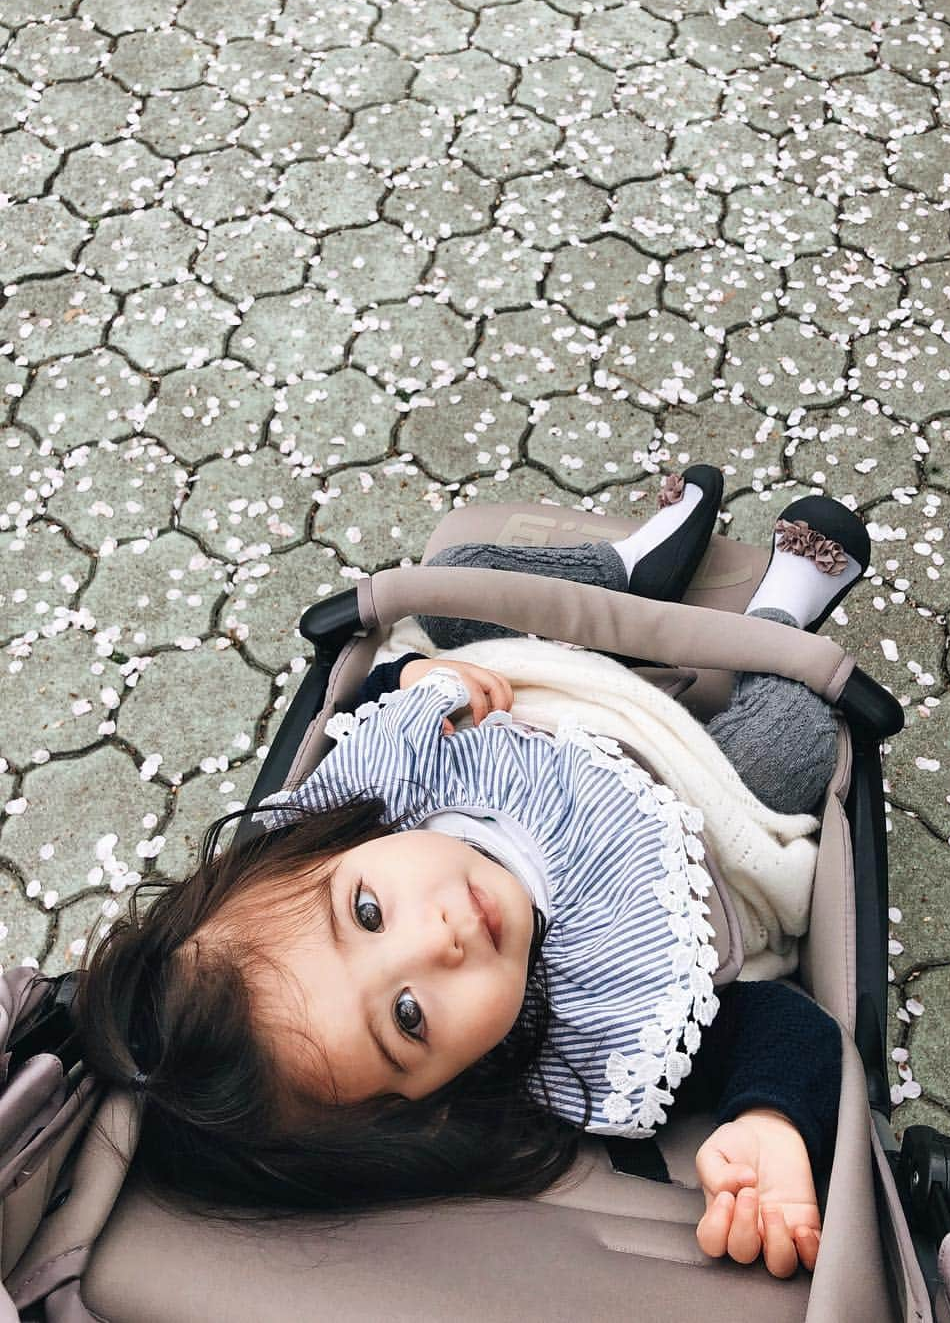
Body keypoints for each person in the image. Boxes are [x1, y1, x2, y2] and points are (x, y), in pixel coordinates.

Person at [77, 469, 871, 1281]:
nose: (439, 939)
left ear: (314, 855)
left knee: (455, 577)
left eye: (368, 913)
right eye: (410, 1016)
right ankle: (780, 618)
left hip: (546, 685)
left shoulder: (373, 799)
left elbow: (375, 710)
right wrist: (770, 1119)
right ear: (441, 1102)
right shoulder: (590, 1040)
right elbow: (779, 1023)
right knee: (791, 748)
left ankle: (625, 570)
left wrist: (410, 680)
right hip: (691, 785)